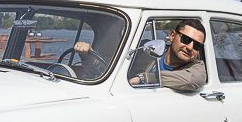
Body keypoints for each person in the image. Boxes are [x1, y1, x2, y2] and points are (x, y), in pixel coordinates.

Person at [78, 18, 207, 92]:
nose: (190, 47)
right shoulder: (147, 50)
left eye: (197, 46)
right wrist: (86, 55)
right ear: (172, 35)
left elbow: (192, 80)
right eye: (185, 39)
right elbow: (107, 68)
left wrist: (145, 78)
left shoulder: (196, 69)